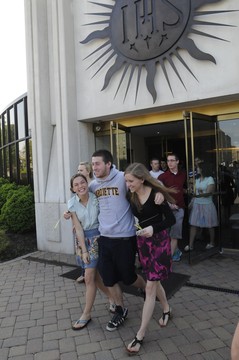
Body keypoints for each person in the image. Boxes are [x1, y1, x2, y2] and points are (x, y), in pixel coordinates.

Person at [90, 149, 165, 331]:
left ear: (108, 164)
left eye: (97, 163)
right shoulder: (93, 185)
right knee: (108, 278)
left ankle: (144, 288)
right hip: (105, 238)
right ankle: (120, 310)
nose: (94, 167)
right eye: (92, 164)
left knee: (129, 277)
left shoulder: (123, 178)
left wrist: (158, 192)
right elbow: (79, 194)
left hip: (125, 238)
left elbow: (145, 181)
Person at [124, 162, 176, 355]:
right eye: (126, 181)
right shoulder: (131, 195)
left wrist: (153, 228)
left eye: (131, 181)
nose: (128, 184)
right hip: (143, 244)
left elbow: (171, 220)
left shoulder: (156, 195)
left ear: (142, 179)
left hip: (159, 242)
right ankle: (167, 308)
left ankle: (140, 335)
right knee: (153, 281)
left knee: (150, 286)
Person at [68, 173, 114, 330]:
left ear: (87, 183)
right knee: (94, 277)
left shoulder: (96, 198)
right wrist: (84, 250)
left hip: (98, 238)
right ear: (72, 189)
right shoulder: (72, 203)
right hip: (82, 240)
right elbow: (78, 228)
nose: (80, 186)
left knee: (89, 277)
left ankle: (86, 314)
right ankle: (112, 297)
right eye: (76, 185)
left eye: (83, 182)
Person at [158, 154, 187, 261]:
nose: (169, 163)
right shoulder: (162, 177)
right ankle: (176, 251)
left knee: (175, 234)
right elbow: (158, 192)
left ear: (177, 161)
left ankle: (167, 260)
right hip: (166, 209)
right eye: (168, 161)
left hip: (179, 208)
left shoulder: (183, 175)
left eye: (172, 160)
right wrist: (168, 203)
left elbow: (184, 188)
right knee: (165, 234)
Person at [184, 162, 218, 251]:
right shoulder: (197, 179)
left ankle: (212, 242)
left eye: (198, 168)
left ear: (203, 169)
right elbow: (194, 193)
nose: (197, 169)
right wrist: (190, 192)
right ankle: (190, 245)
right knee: (193, 225)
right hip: (197, 205)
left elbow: (209, 193)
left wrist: (201, 192)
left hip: (207, 205)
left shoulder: (210, 179)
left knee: (210, 225)